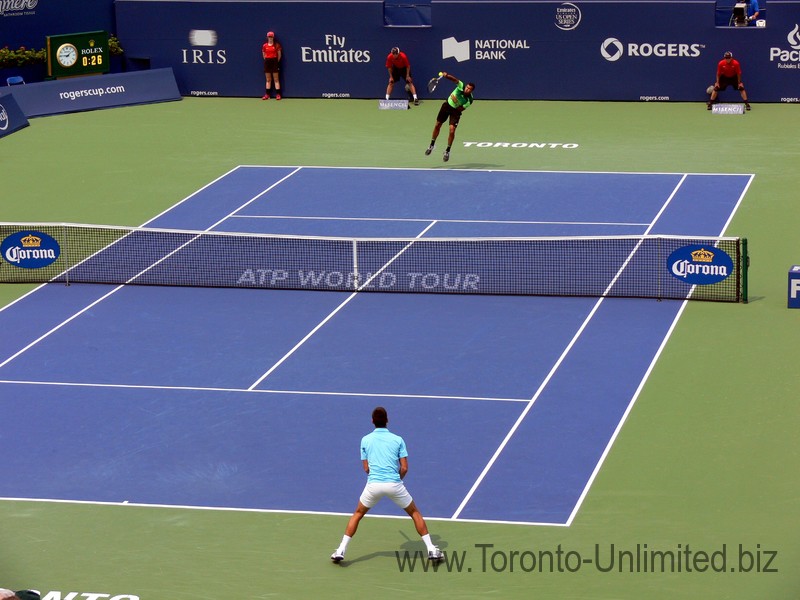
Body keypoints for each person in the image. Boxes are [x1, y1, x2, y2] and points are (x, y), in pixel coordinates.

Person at [330, 407, 443, 564]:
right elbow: (404, 468)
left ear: (372, 421)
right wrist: (397, 479)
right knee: (414, 513)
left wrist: (377, 479)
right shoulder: (398, 440)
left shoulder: (365, 440)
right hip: (394, 485)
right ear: (387, 420)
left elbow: (366, 468)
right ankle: (431, 549)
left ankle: (340, 550)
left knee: (358, 514)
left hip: (373, 485)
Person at [424, 72, 475, 162]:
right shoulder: (461, 86)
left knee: (452, 131)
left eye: (469, 89)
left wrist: (456, 102)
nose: (467, 89)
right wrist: (446, 75)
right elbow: (454, 79)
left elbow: (461, 109)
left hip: (455, 112)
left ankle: (447, 151)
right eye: (467, 87)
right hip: (447, 106)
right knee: (437, 125)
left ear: (471, 91)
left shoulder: (470, 100)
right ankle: (432, 145)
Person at [261, 31, 282, 100]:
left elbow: (279, 55)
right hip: (267, 62)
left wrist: (275, 61)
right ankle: (267, 94)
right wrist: (267, 60)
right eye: (269, 37)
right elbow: (264, 55)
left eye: (271, 37)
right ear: (267, 37)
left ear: (273, 37)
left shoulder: (277, 45)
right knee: (268, 79)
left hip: (274, 62)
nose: (270, 38)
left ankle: (278, 94)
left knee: (276, 79)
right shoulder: (264, 46)